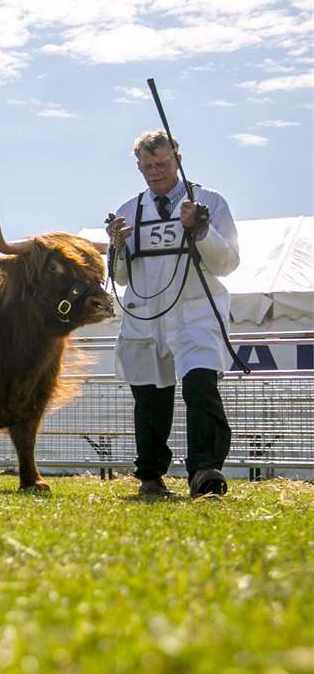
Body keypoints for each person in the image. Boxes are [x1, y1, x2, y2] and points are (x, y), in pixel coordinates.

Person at [106, 130, 240, 498]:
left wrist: (201, 230)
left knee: (200, 387)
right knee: (149, 396)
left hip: (196, 313)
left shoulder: (209, 202)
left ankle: (204, 471)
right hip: (147, 315)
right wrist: (116, 248)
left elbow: (228, 263)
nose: (154, 172)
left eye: (161, 164)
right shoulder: (128, 212)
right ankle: (150, 476)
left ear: (178, 160)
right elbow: (120, 275)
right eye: (146, 166)